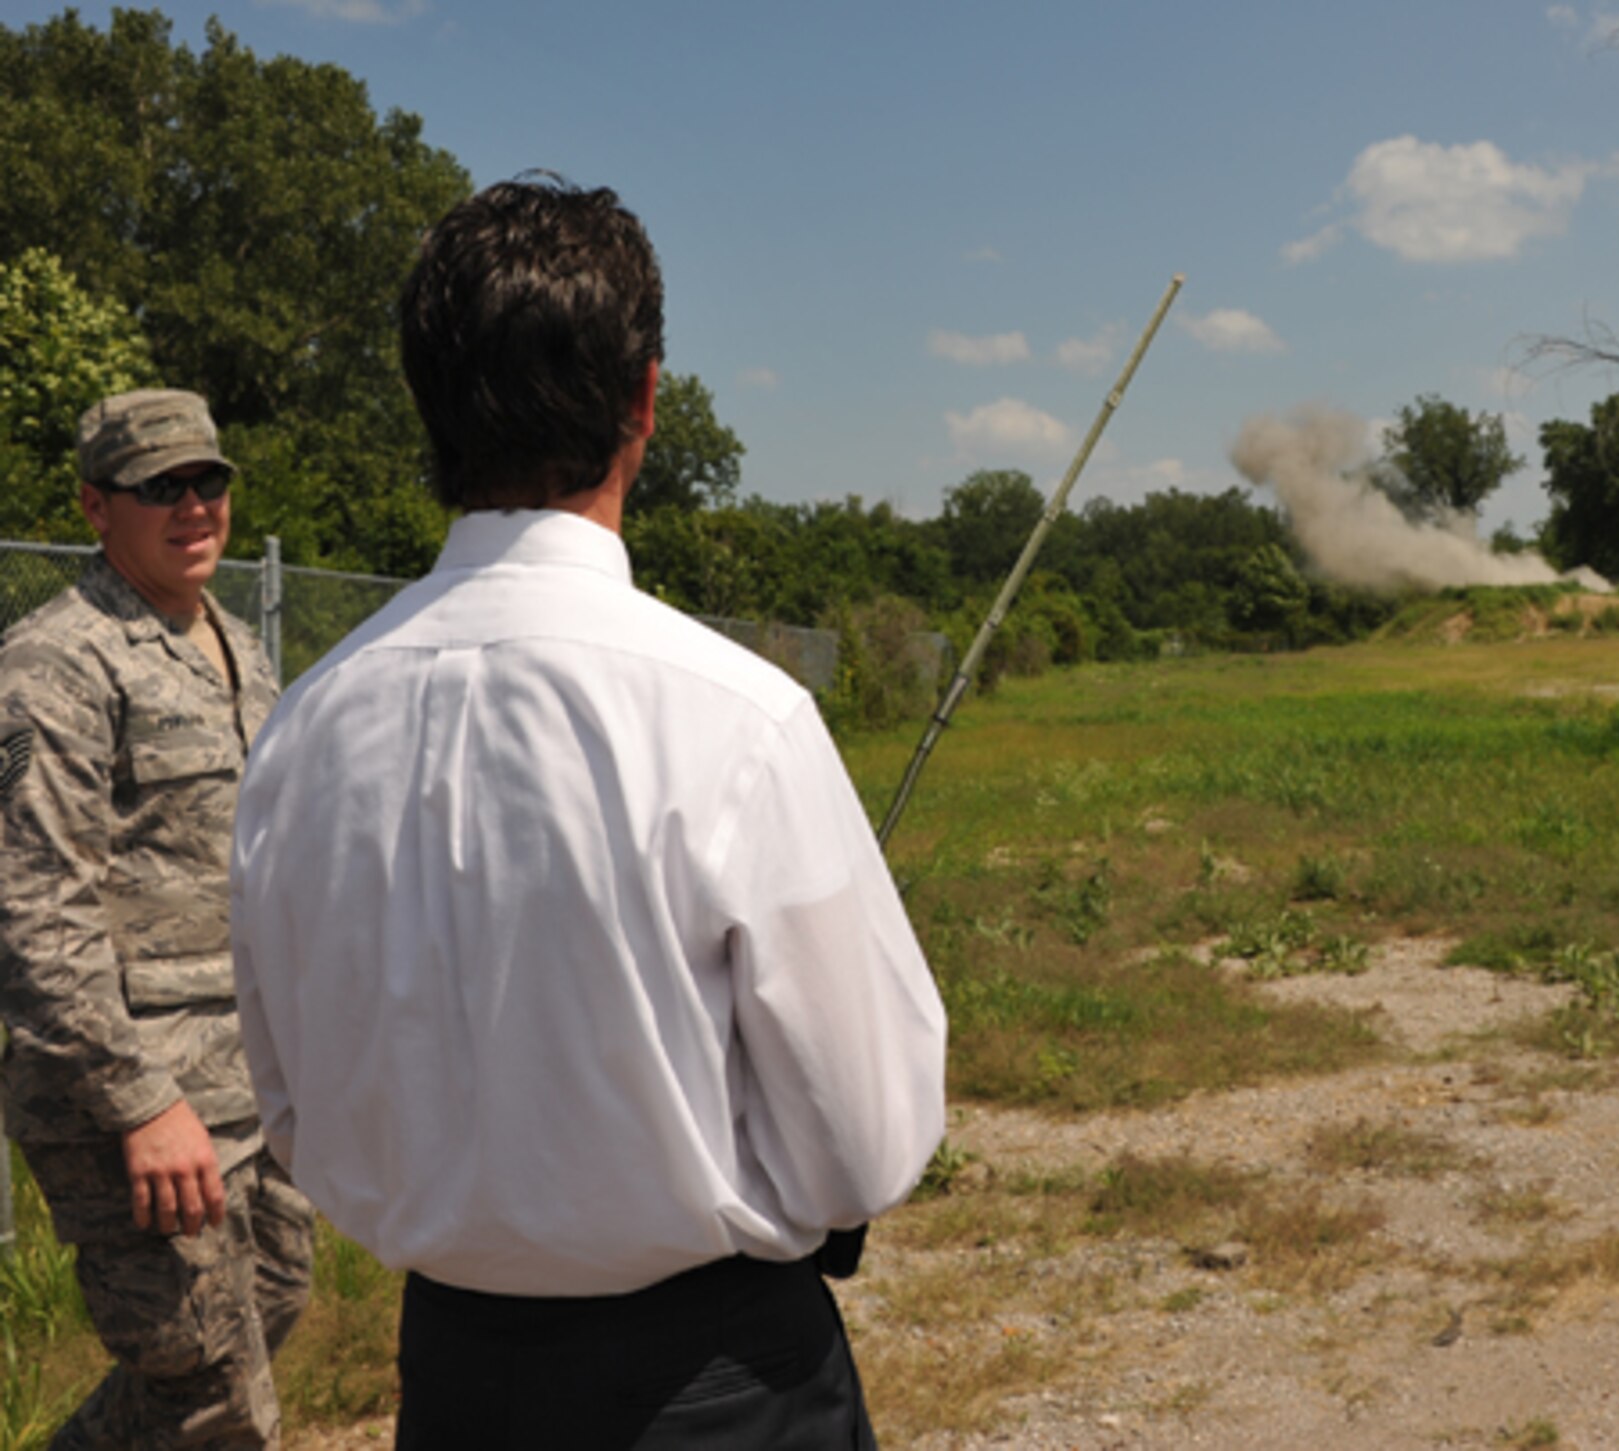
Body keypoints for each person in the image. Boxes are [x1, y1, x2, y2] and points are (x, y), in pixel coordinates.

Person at [229, 178, 948, 1451]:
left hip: (455, 1378)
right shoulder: (737, 716)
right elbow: (864, 1133)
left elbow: (290, 1103)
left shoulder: (303, 727)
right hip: (723, 1380)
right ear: (646, 402)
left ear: (429, 408)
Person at [0, 389, 316, 1448]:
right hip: (129, 1091)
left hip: (241, 1078)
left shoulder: (231, 641)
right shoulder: (57, 663)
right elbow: (35, 904)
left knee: (273, 1299)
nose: (194, 507)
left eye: (209, 480)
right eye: (159, 488)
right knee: (216, 1391)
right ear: (96, 506)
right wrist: (137, 1104)